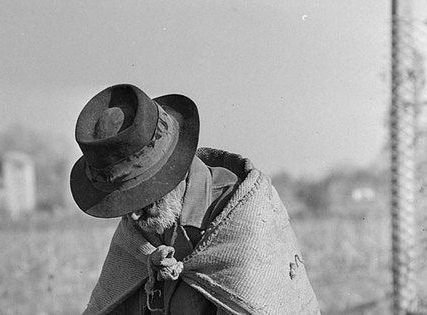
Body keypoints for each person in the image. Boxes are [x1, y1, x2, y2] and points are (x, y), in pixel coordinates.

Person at [70, 84, 320, 314]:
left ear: (172, 173)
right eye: (126, 202)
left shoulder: (246, 221)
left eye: (141, 198)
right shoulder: (142, 226)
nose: (132, 216)